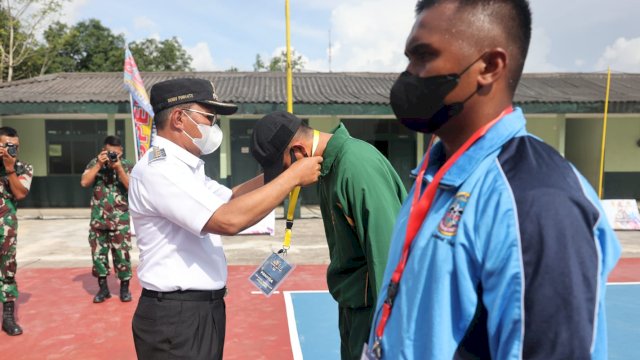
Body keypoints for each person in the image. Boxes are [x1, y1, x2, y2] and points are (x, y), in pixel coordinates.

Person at [364, 1, 621, 359]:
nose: (408, 74)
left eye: (423, 56)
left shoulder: (537, 200)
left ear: (489, 66)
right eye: (408, 58)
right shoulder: (435, 173)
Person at [128, 78, 322, 360]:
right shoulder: (160, 169)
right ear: (180, 118)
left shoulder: (184, 167)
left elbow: (230, 198)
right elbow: (226, 220)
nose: (213, 127)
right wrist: (293, 177)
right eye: (209, 117)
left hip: (198, 311)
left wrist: (283, 169)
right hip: (176, 316)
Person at [251, 111, 407, 359]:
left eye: (285, 169)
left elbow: (387, 253)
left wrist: (390, 332)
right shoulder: (329, 169)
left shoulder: (355, 166)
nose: (287, 179)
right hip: (354, 309)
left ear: (299, 151)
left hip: (373, 315)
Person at [80, 135, 134, 303]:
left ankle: (124, 289)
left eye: (115, 153)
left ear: (121, 152)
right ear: (103, 151)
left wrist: (118, 168)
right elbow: (84, 182)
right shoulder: (94, 164)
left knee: (122, 256)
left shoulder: (126, 166)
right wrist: (98, 164)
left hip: (120, 221)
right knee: (98, 257)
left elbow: (133, 188)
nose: (112, 156)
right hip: (98, 221)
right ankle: (103, 289)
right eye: (109, 152)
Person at [0, 127, 32, 336]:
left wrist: (10, 169)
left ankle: (8, 318)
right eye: (6, 145)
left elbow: (20, 193)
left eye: (15, 147)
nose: (11, 150)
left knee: (7, 272)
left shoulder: (23, 168)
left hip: (6, 229)